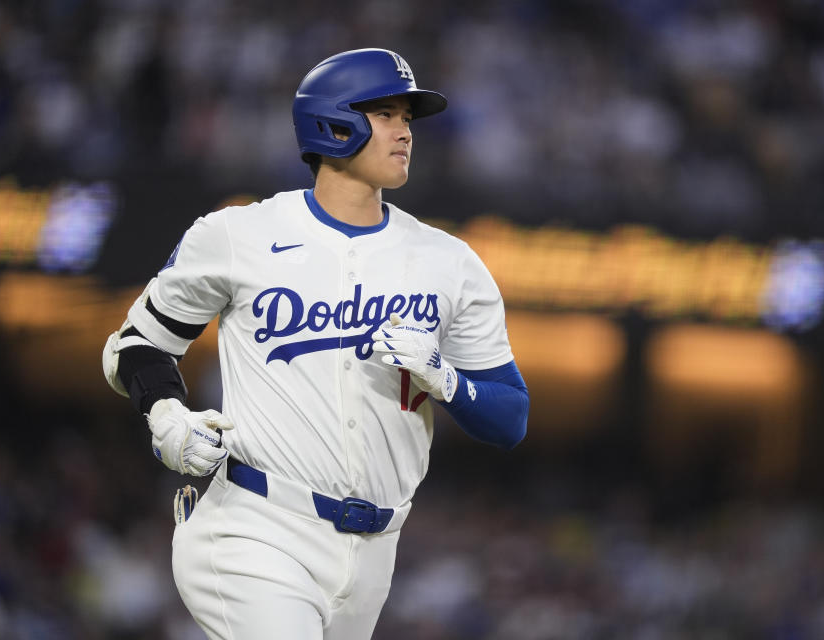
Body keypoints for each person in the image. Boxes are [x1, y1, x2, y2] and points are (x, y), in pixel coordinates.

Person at [102, 48, 529, 640]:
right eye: (386, 113)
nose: (405, 131)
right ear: (333, 122)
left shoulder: (449, 263)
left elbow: (511, 417)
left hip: (375, 550)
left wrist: (446, 380)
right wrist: (166, 413)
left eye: (408, 118)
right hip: (256, 526)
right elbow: (138, 345)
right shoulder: (240, 234)